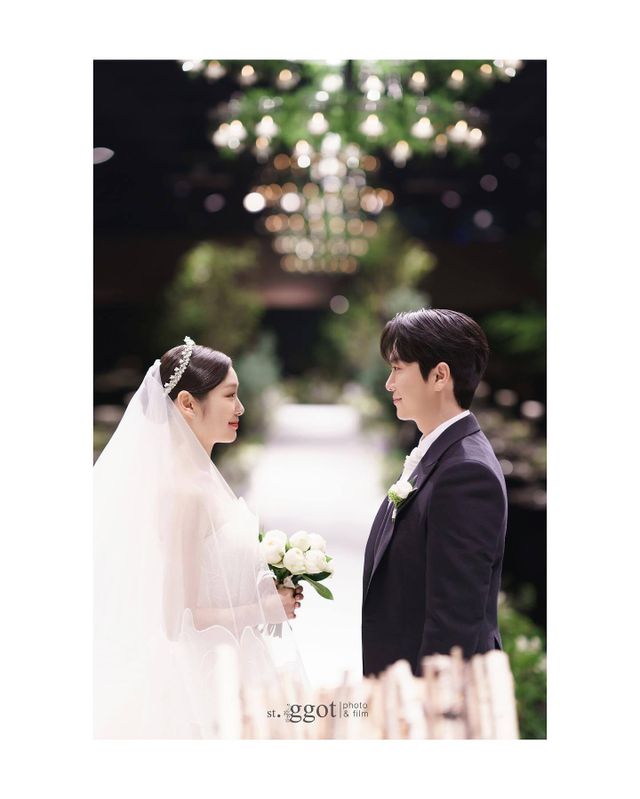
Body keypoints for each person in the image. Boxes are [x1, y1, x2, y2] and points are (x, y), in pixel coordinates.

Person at [94, 336, 308, 738]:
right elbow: (177, 618)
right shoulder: (185, 493)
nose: (240, 408)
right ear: (188, 404)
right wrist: (264, 608)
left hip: (234, 664)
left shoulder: (202, 478)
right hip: (202, 682)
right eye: (230, 395)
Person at [361, 309, 508, 677]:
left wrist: (425, 700)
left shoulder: (466, 473)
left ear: (440, 376)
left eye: (397, 368)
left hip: (430, 691)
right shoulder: (440, 452)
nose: (389, 384)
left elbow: (454, 620)